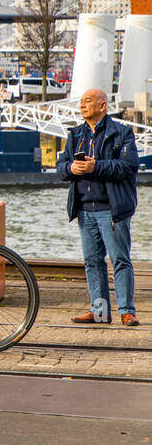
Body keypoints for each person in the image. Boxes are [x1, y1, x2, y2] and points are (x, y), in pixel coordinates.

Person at [60, 89, 139, 326]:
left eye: (87, 102)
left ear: (102, 106)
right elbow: (61, 166)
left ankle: (127, 311)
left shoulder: (122, 133)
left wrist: (96, 167)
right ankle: (100, 312)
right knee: (92, 262)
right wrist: (71, 169)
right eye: (81, 102)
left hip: (111, 209)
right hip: (85, 209)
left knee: (120, 260)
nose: (82, 105)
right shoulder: (76, 134)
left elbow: (129, 166)